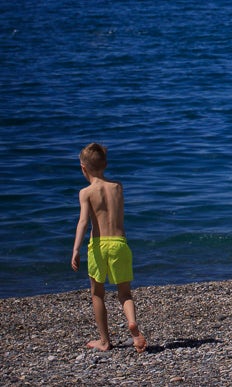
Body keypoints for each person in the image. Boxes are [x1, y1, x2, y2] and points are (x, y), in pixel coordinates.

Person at [70, 142, 147, 352]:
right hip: (119, 244)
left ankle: (104, 341)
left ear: (83, 168)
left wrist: (76, 249)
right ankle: (132, 323)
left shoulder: (85, 192)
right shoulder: (117, 187)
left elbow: (83, 222)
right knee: (125, 293)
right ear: (105, 164)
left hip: (98, 245)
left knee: (97, 294)